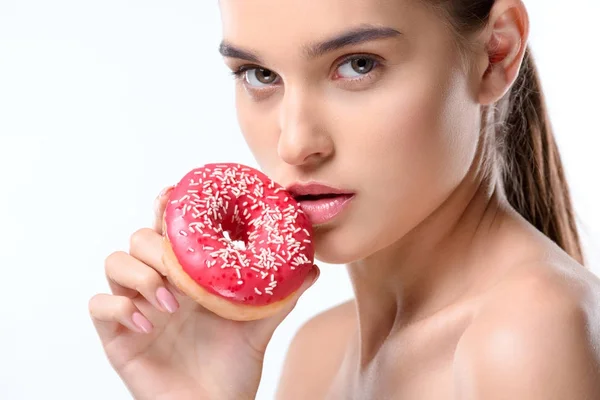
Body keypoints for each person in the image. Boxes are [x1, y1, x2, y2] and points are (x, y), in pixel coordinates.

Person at [88, 0, 600, 398]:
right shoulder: (317, 351)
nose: (294, 143)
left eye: (357, 65)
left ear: (495, 53)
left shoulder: (525, 334)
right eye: (259, 75)